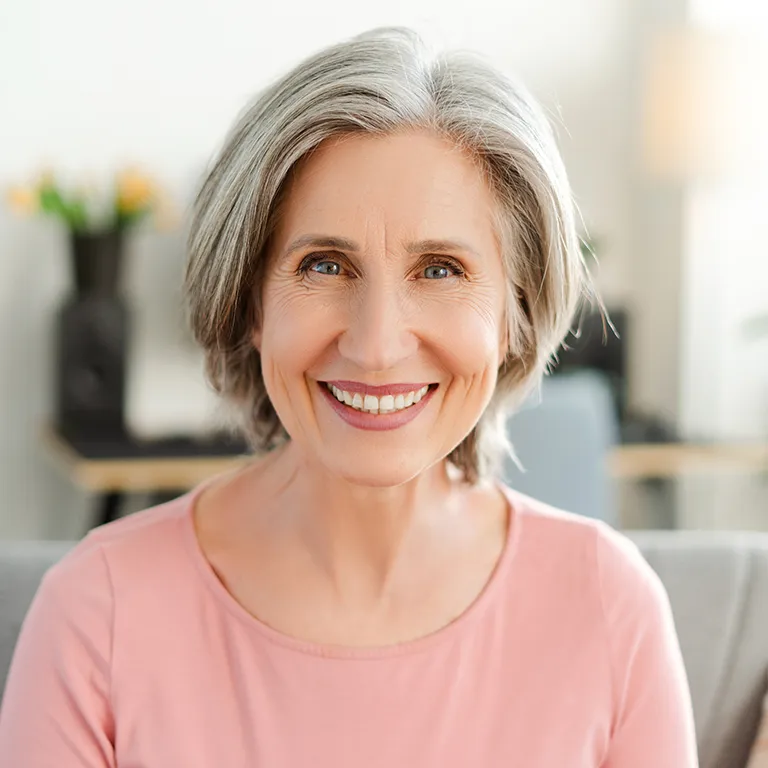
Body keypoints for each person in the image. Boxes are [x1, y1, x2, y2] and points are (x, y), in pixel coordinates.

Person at [0, 26, 698, 767]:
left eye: (439, 270)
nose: (375, 344)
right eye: (325, 265)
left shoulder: (609, 605)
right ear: (249, 305)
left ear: (514, 317)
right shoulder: (98, 613)